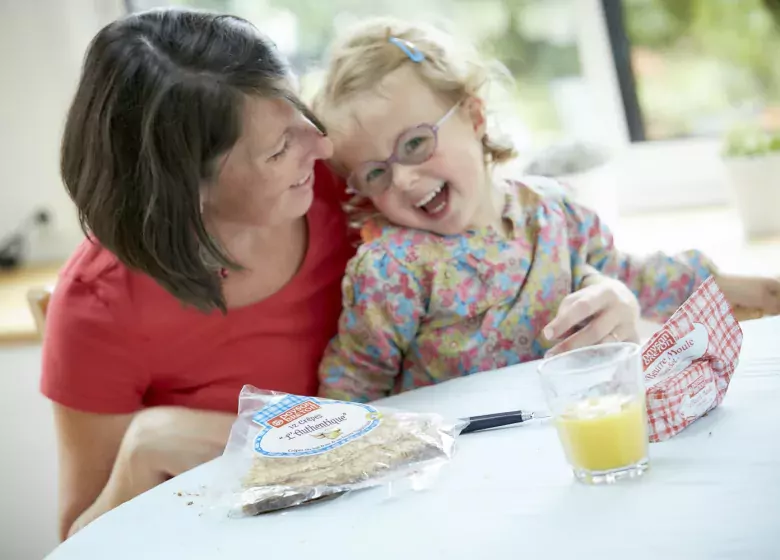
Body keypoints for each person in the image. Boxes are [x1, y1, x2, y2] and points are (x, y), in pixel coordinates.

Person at [313, 18, 780, 402]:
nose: (402, 179)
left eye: (415, 143)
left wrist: (727, 285)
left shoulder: (553, 210)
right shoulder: (391, 270)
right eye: (375, 174)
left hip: (568, 435)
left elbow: (628, 276)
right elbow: (352, 385)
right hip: (458, 469)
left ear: (475, 117)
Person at [42, 9, 356, 539]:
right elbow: (80, 542)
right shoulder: (100, 306)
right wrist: (142, 454)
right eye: (280, 149)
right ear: (188, 190)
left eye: (302, 111)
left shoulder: (343, 185)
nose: (322, 146)